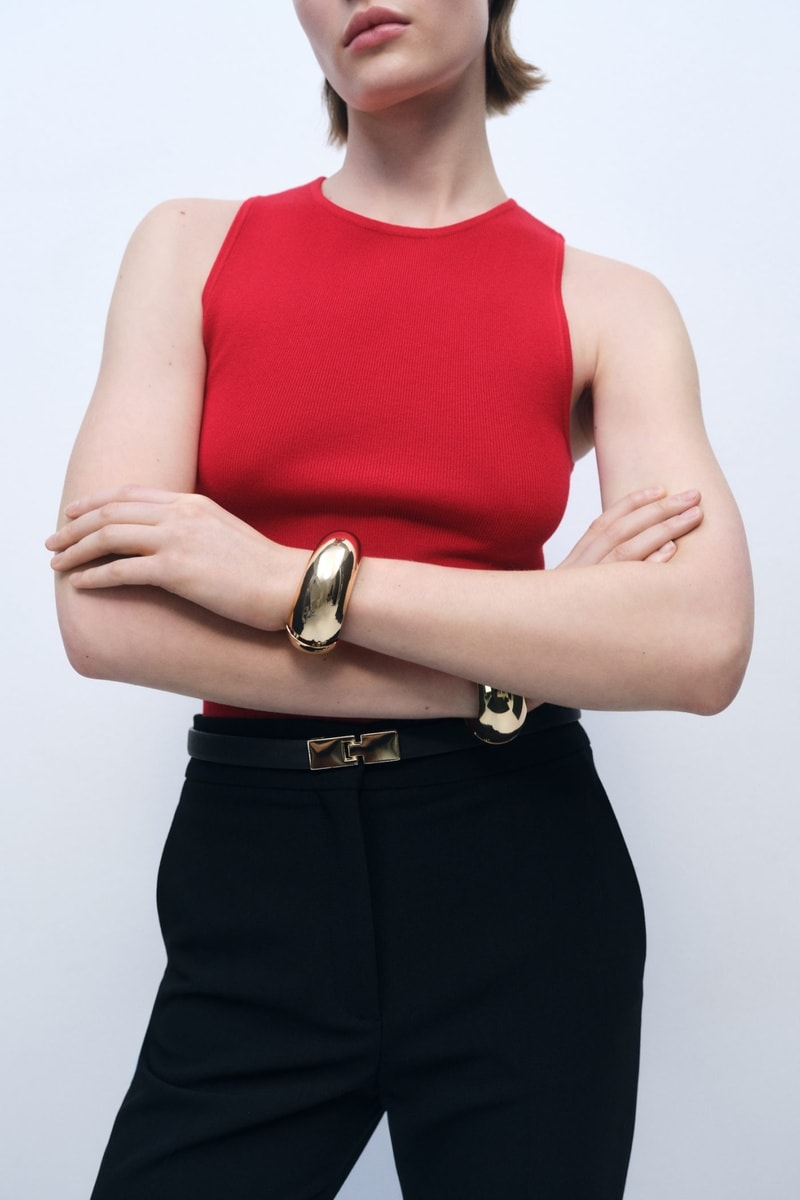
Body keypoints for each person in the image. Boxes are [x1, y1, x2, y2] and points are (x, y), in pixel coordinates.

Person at [46, 2, 753, 1197]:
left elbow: (699, 645)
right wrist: (505, 673)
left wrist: (286, 580)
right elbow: (105, 618)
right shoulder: (189, 247)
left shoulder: (609, 304)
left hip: (522, 876)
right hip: (253, 868)